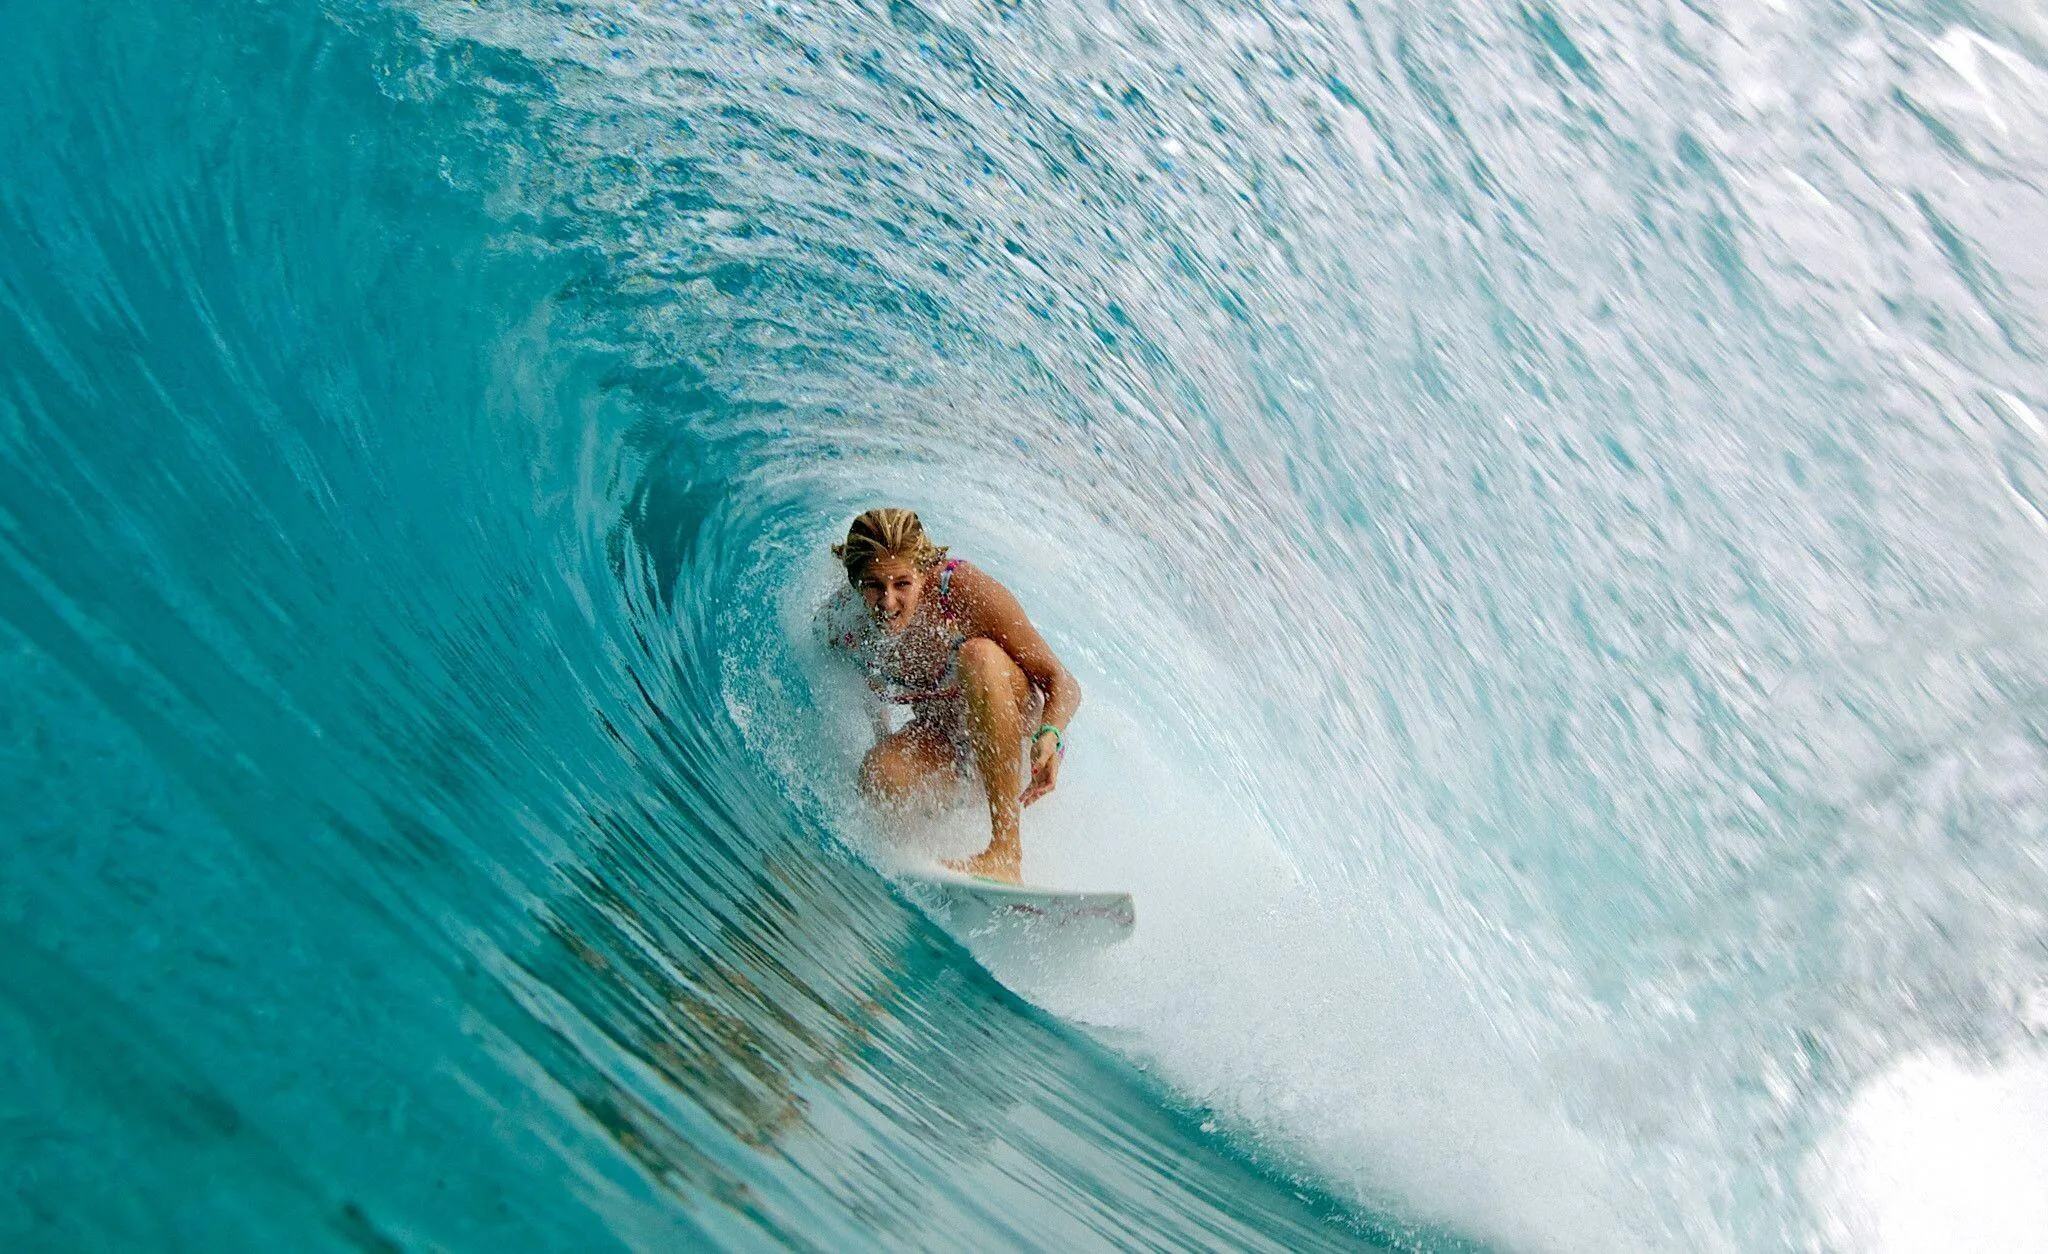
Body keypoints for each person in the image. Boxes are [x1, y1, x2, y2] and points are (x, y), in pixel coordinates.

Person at [820, 508, 1080, 883]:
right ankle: (917, 867)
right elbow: (864, 682)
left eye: (902, 584)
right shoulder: (843, 623)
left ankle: (1005, 854)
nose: (887, 602)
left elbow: (1062, 681)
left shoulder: (959, 591)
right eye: (874, 585)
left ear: (923, 572)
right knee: (881, 773)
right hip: (951, 749)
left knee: (979, 656)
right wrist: (889, 751)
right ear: (856, 581)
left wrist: (1050, 735)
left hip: (1023, 746)